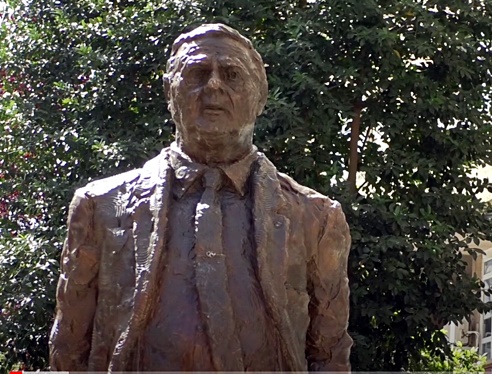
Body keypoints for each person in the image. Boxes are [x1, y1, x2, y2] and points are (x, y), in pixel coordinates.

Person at [49, 23, 352, 372]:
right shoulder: (98, 206)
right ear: (169, 91)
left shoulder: (316, 217)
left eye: (232, 74)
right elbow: (69, 349)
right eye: (197, 73)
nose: (213, 86)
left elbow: (330, 354)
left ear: (261, 97)